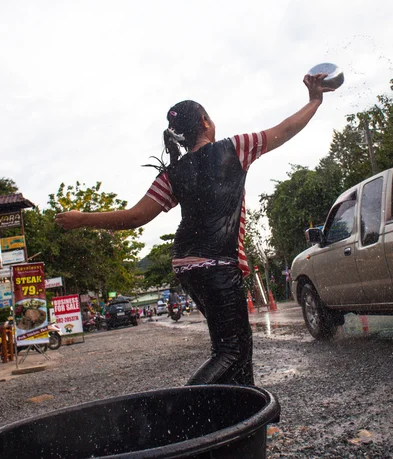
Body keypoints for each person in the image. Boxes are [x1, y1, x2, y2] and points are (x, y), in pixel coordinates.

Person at [56, 72, 335, 386]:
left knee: (231, 350)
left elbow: (134, 217)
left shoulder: (172, 174)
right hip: (217, 265)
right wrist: (314, 101)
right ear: (205, 122)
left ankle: (242, 417)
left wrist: (82, 219)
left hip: (186, 265)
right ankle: (180, 408)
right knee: (233, 350)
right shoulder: (236, 147)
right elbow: (286, 129)